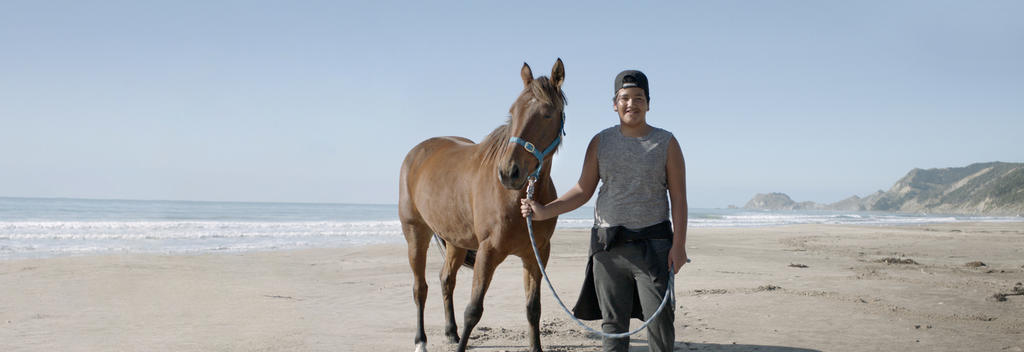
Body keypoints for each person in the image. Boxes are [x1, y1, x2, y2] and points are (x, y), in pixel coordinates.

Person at [520, 69, 688, 351]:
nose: (631, 104)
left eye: (638, 98)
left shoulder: (666, 143)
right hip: (607, 249)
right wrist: (544, 211)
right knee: (613, 328)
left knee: (660, 326)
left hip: (655, 247)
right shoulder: (600, 141)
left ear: (648, 102)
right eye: (624, 98)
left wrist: (679, 246)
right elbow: (582, 191)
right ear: (614, 103)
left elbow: (679, 199)